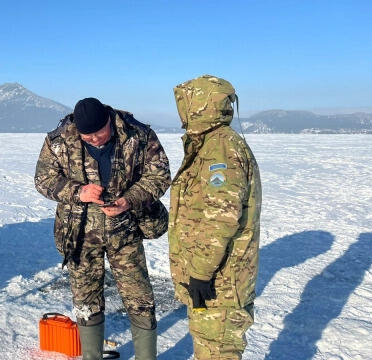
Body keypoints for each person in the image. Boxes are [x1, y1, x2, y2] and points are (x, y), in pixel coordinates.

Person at [34, 97, 171, 359]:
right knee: (86, 301)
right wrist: (78, 191)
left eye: (99, 132)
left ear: (109, 120)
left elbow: (160, 175)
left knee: (140, 299)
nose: (95, 139)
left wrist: (127, 201)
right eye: (87, 136)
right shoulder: (58, 140)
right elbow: (43, 179)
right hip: (80, 233)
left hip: (126, 230)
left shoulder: (138, 134)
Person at [168, 75, 262, 359]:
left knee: (217, 351)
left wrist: (199, 272)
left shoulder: (221, 147)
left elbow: (220, 218)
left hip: (219, 279)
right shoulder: (210, 143)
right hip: (216, 276)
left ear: (201, 104)